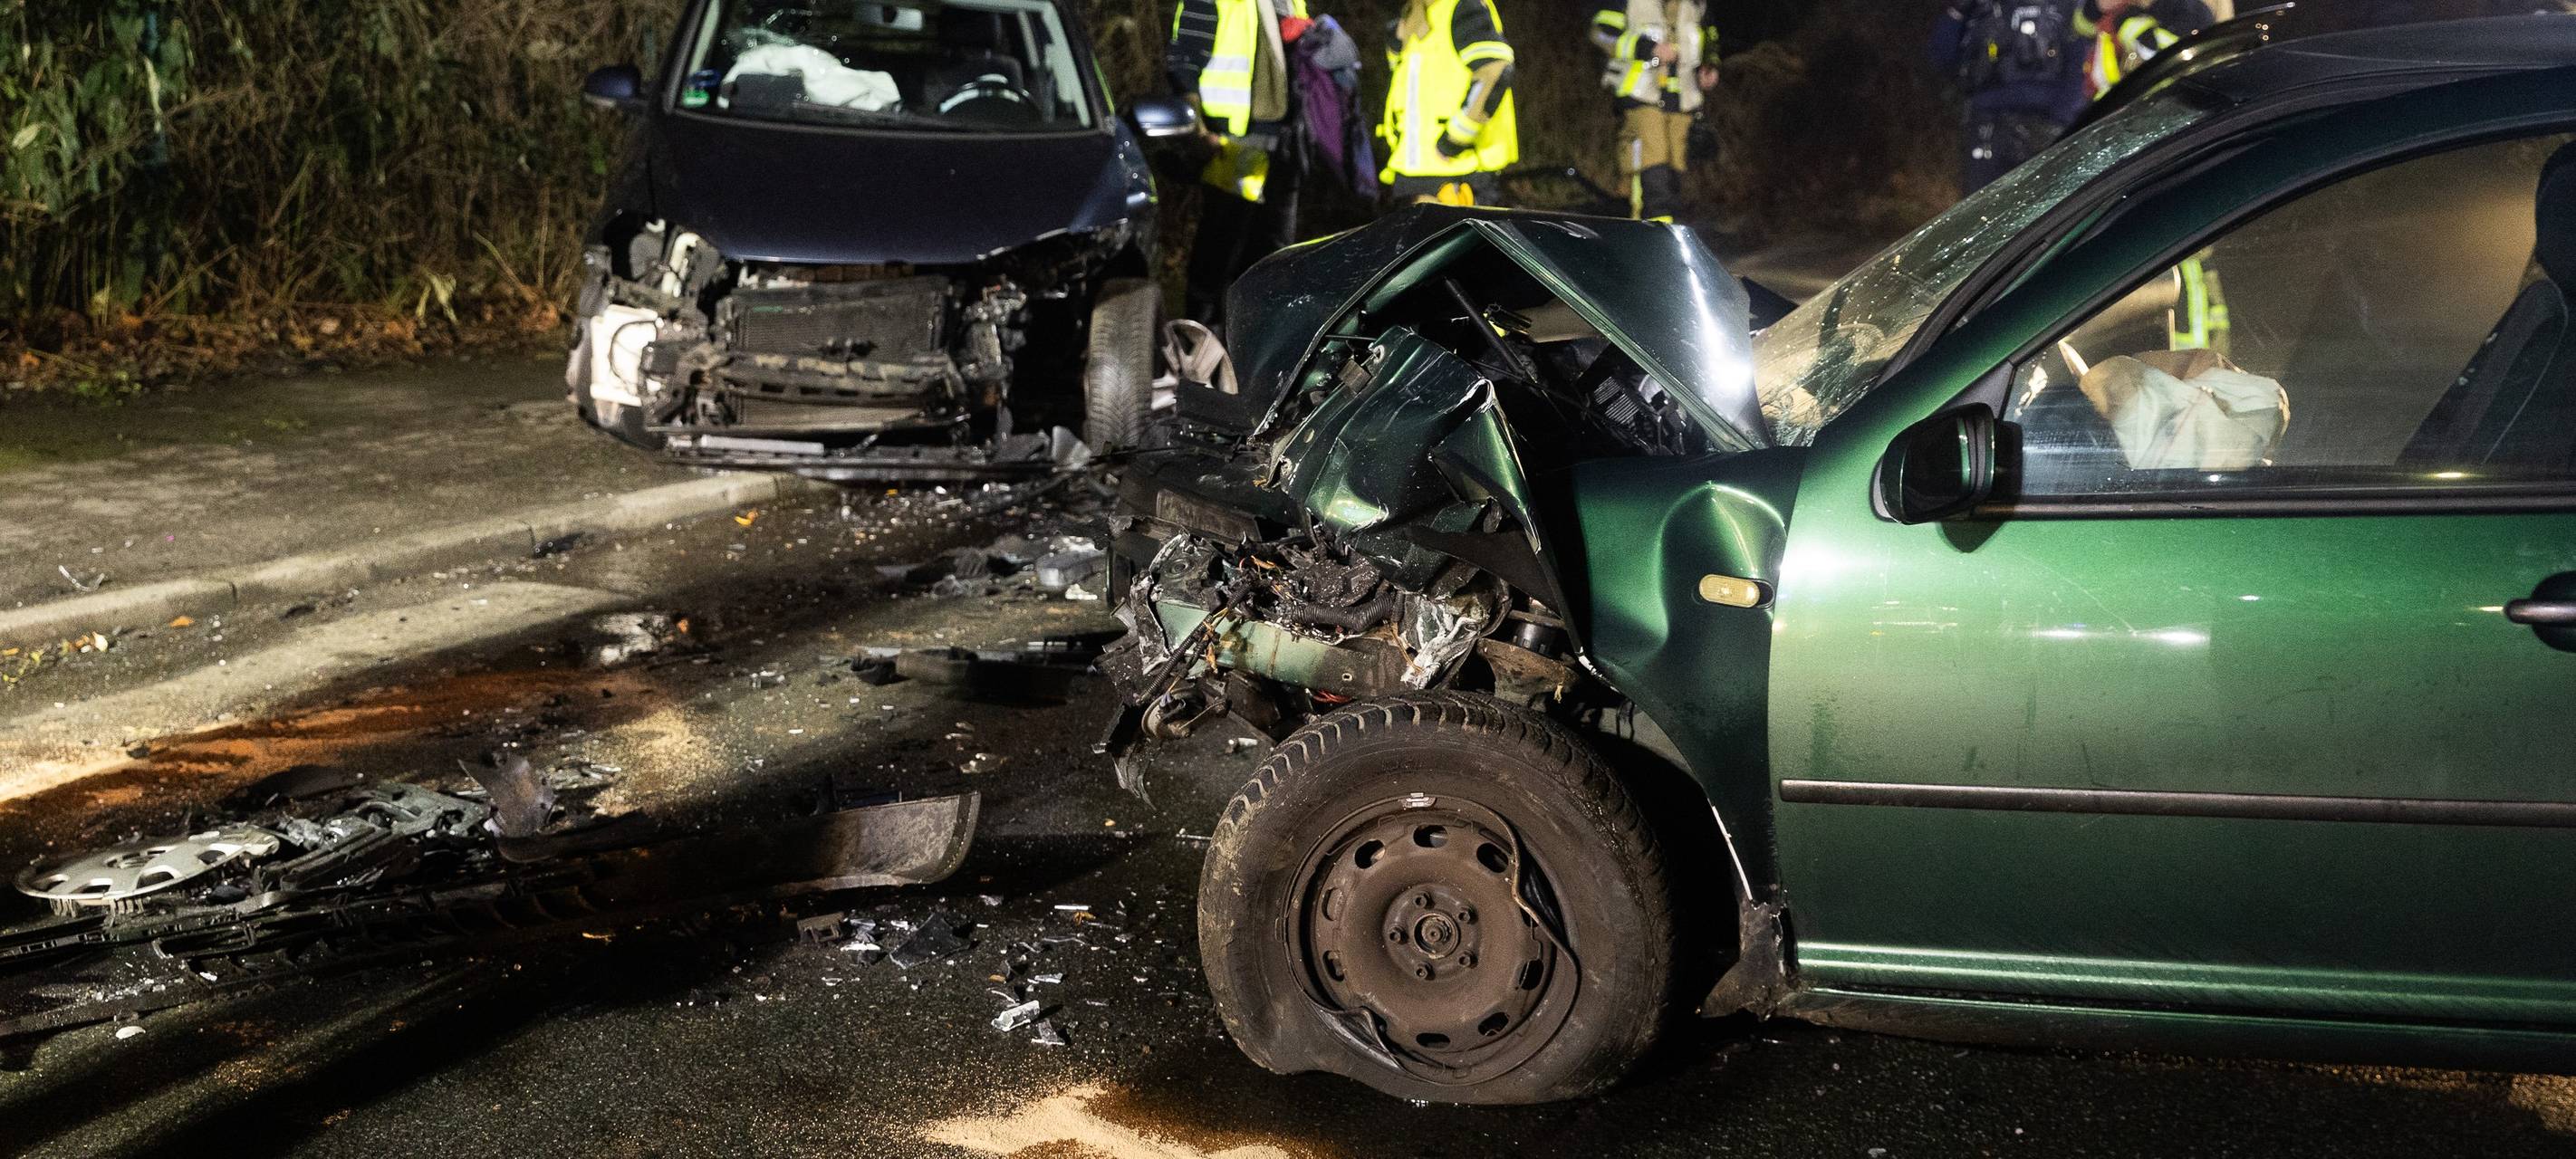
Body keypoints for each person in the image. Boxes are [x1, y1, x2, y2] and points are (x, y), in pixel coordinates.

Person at [2078, 0, 2228, 354]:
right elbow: (2083, 23)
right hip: (2129, 151)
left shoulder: (2183, 12)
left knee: (2185, 254)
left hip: (2174, 149)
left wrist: (2131, 22)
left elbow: (2173, 56)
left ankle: (2196, 354)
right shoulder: (2110, 19)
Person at [1169, 0, 1310, 327]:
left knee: (1274, 258)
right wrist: (1198, 134)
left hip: (1285, 149)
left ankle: (1259, 350)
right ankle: (1201, 344)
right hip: (1231, 146)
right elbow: (1183, 62)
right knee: (1218, 255)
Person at [1929, 2, 2087, 192]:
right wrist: (1957, 11)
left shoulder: (2066, 7)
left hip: (2051, 126)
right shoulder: (1979, 7)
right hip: (1987, 129)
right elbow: (1941, 58)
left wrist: (2062, 123)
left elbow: (2080, 63)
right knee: (1986, 209)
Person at [1379, 0, 1519, 207]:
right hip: (1413, 174)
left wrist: (1454, 140)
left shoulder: (1463, 6)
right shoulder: (1420, 11)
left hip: (1456, 175)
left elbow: (1495, 70)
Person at [1590, 3, 1719, 221]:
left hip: (1683, 100)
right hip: (1641, 95)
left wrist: (1709, 64)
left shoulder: (1696, 4)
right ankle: (1648, 239)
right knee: (1651, 173)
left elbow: (1709, 36)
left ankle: (1667, 236)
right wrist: (1647, 48)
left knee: (1674, 177)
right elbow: (1601, 33)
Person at [2077, 0, 2214, 97]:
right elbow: (2080, 28)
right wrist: (2095, 8)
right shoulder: (2124, 10)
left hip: (2160, 109)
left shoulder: (2191, 12)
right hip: (2105, 107)